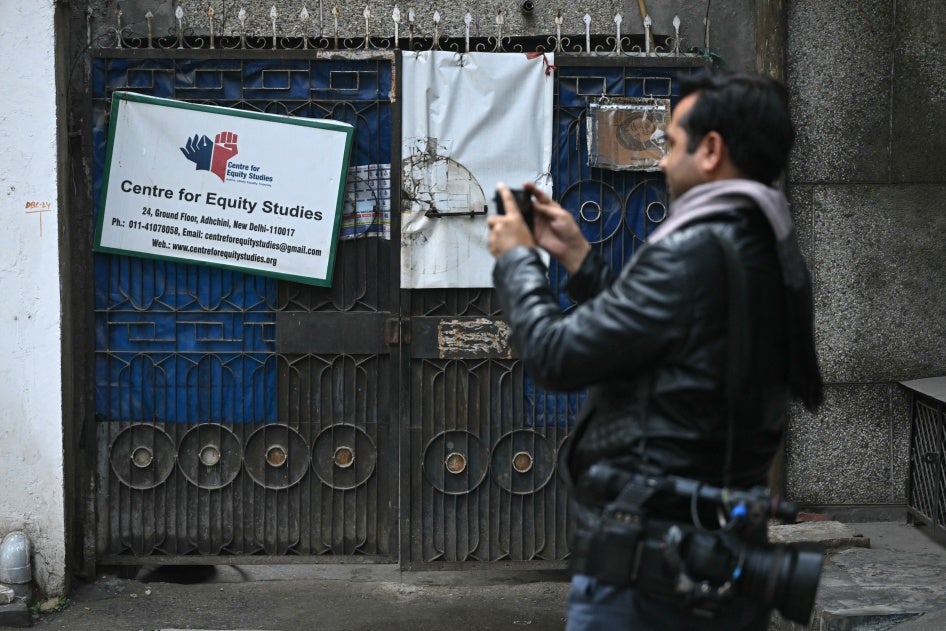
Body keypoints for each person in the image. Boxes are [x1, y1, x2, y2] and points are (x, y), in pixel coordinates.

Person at [487, 72, 823, 630]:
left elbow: (554, 356)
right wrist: (580, 260)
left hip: (652, 566)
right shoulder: (769, 247)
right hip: (715, 546)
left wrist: (517, 260)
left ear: (711, 150)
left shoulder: (693, 251)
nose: (663, 163)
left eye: (670, 144)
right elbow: (669, 345)